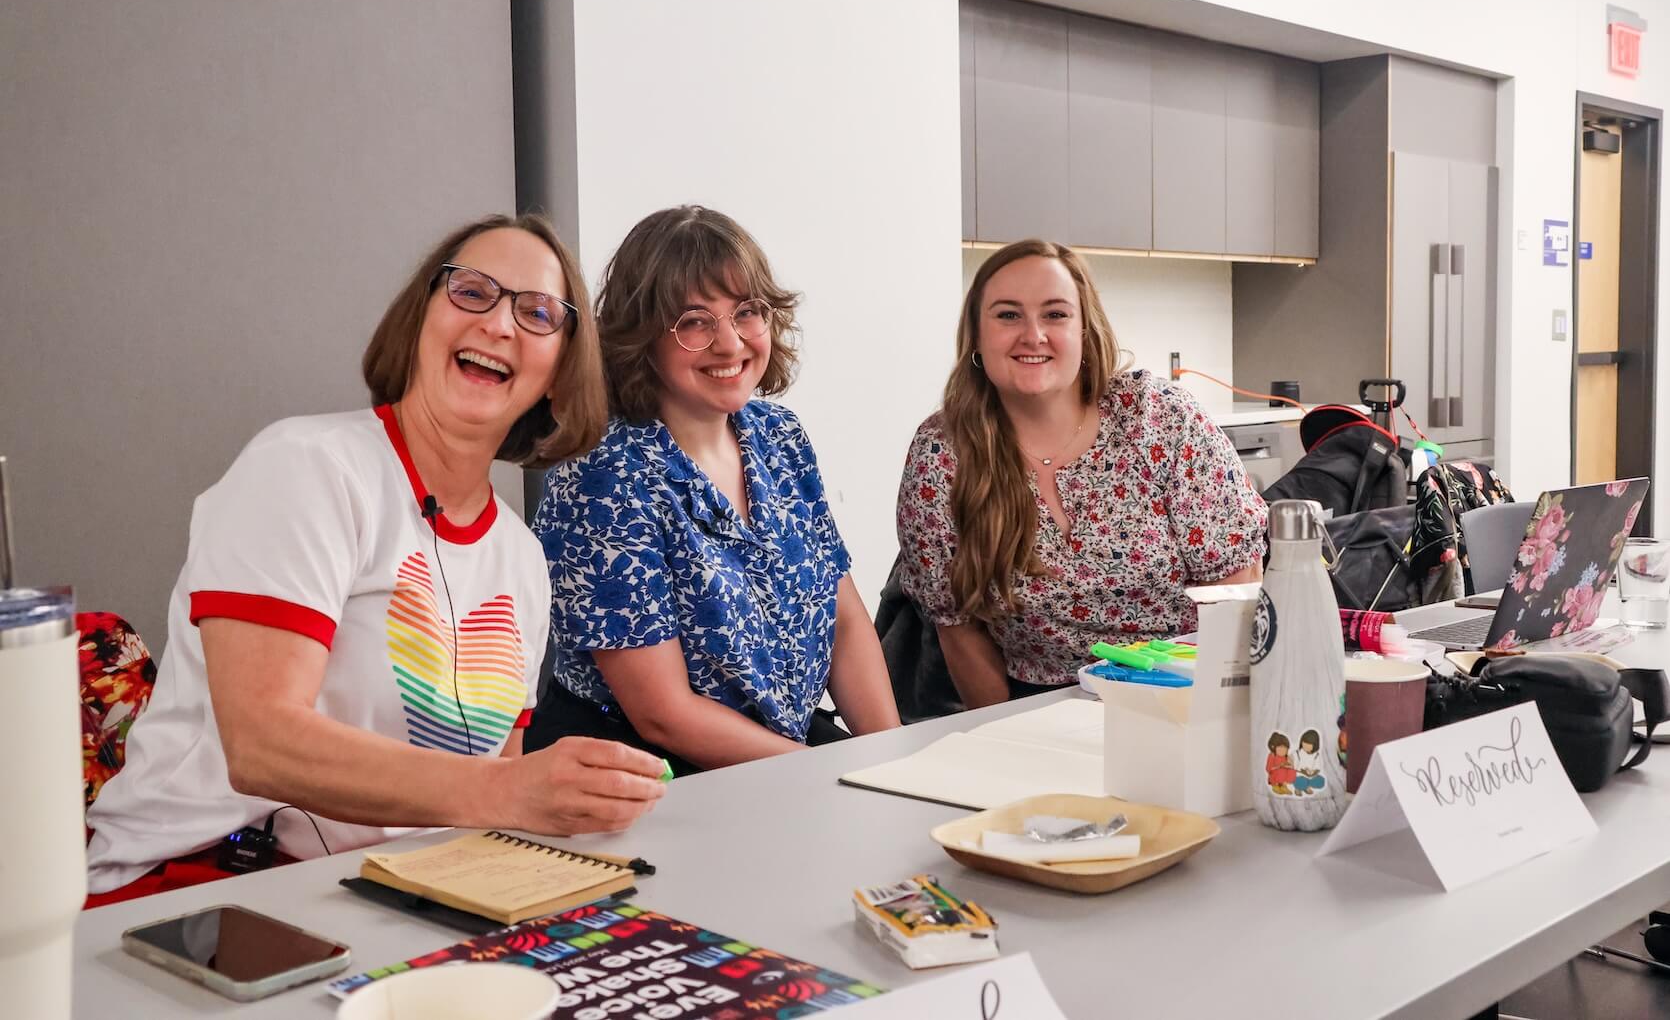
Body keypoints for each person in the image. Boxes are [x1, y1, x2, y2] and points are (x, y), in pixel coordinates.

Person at [85, 214, 668, 900]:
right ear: (419, 322)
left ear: (560, 376)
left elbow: (489, 803)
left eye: (538, 312)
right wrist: (509, 790)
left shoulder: (520, 557)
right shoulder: (306, 467)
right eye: (472, 292)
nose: (500, 324)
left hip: (402, 892)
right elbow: (261, 744)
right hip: (200, 886)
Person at [530, 205, 900, 771]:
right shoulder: (603, 473)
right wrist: (821, 772)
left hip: (779, 750)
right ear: (641, 337)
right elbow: (663, 713)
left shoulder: (779, 435)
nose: (729, 344)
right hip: (645, 766)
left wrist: (891, 761)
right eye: (694, 322)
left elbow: (843, 623)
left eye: (747, 312)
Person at [896, 239, 1267, 708]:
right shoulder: (942, 453)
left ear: (1085, 331)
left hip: (1186, 694)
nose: (1033, 335)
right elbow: (959, 628)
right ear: (976, 336)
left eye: (1055, 314)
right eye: (1008, 315)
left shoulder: (1160, 419)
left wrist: (1208, 716)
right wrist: (1008, 738)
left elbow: (1234, 588)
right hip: (1036, 706)